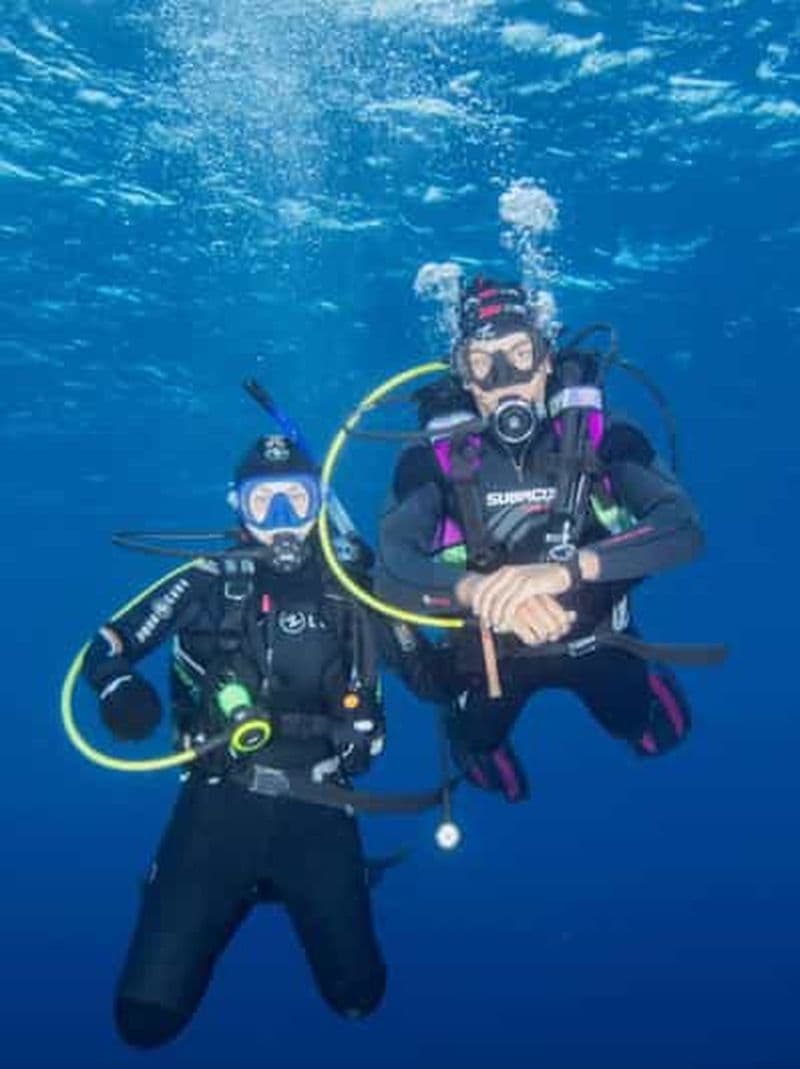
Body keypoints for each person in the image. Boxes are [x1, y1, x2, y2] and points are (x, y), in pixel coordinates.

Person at [82, 433, 443, 1048]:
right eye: (263, 501)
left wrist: (481, 623)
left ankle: (311, 883)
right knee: (144, 1020)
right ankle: (218, 888)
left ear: (319, 503)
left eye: (295, 500)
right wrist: (119, 690)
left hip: (323, 805)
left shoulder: (357, 586)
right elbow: (107, 646)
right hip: (216, 806)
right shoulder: (204, 580)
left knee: (358, 997)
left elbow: (431, 680)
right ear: (237, 506)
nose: (280, 518)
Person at [376, 276, 704, 802]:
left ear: (547, 359)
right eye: (482, 363)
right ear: (464, 376)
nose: (505, 378)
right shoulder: (430, 460)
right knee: (479, 749)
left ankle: (642, 688)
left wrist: (565, 571)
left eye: (520, 354)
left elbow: (682, 527)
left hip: (594, 633)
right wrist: (477, 592)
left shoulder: (599, 432)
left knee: (656, 731)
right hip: (493, 653)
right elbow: (389, 572)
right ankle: (474, 737)